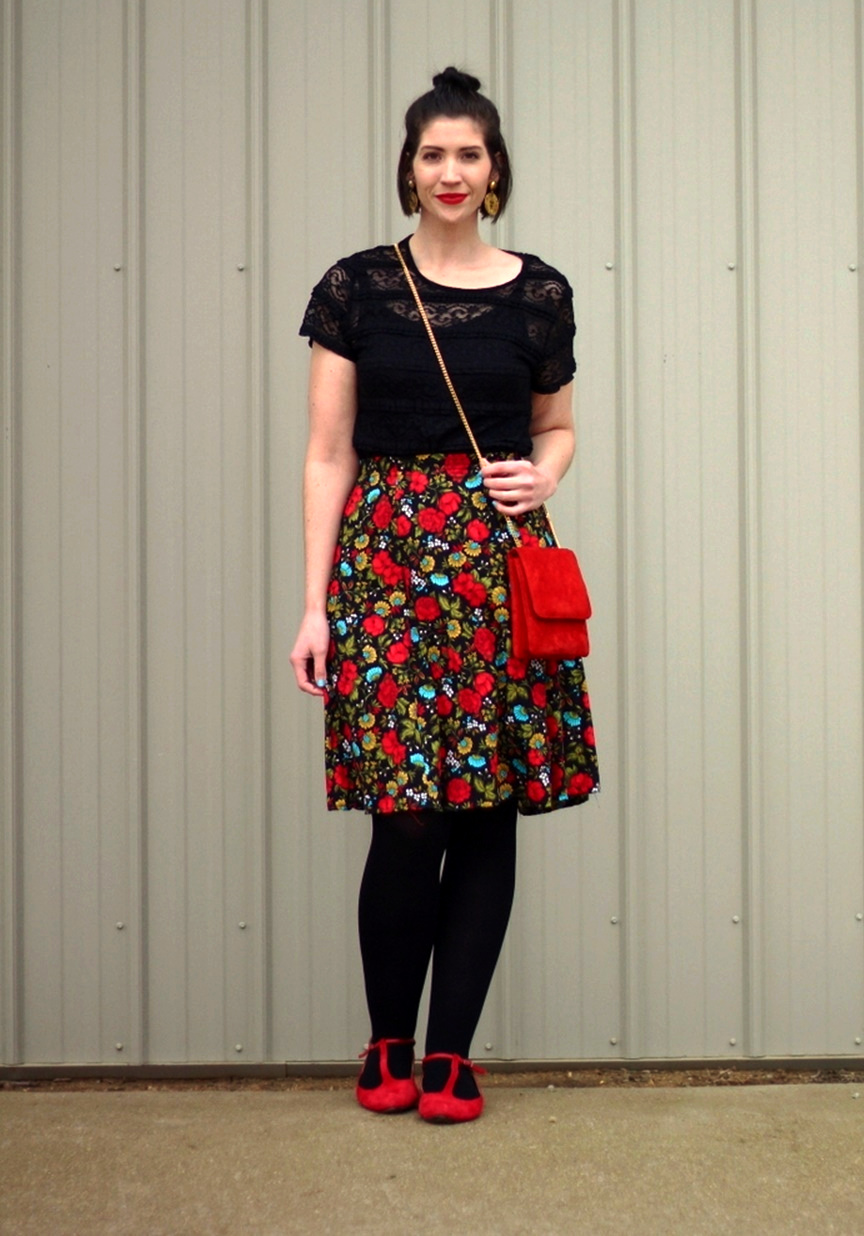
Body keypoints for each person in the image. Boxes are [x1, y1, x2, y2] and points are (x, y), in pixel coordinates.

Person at [290, 67, 599, 1123]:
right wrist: (313, 604)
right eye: (433, 154)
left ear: (495, 169)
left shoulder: (539, 292)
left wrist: (545, 472)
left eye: (469, 154)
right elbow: (328, 454)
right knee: (406, 814)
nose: (451, 172)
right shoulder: (357, 289)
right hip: (383, 569)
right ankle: (387, 1039)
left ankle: (453, 1056)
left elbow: (554, 425)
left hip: (495, 565)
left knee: (486, 814)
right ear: (407, 169)